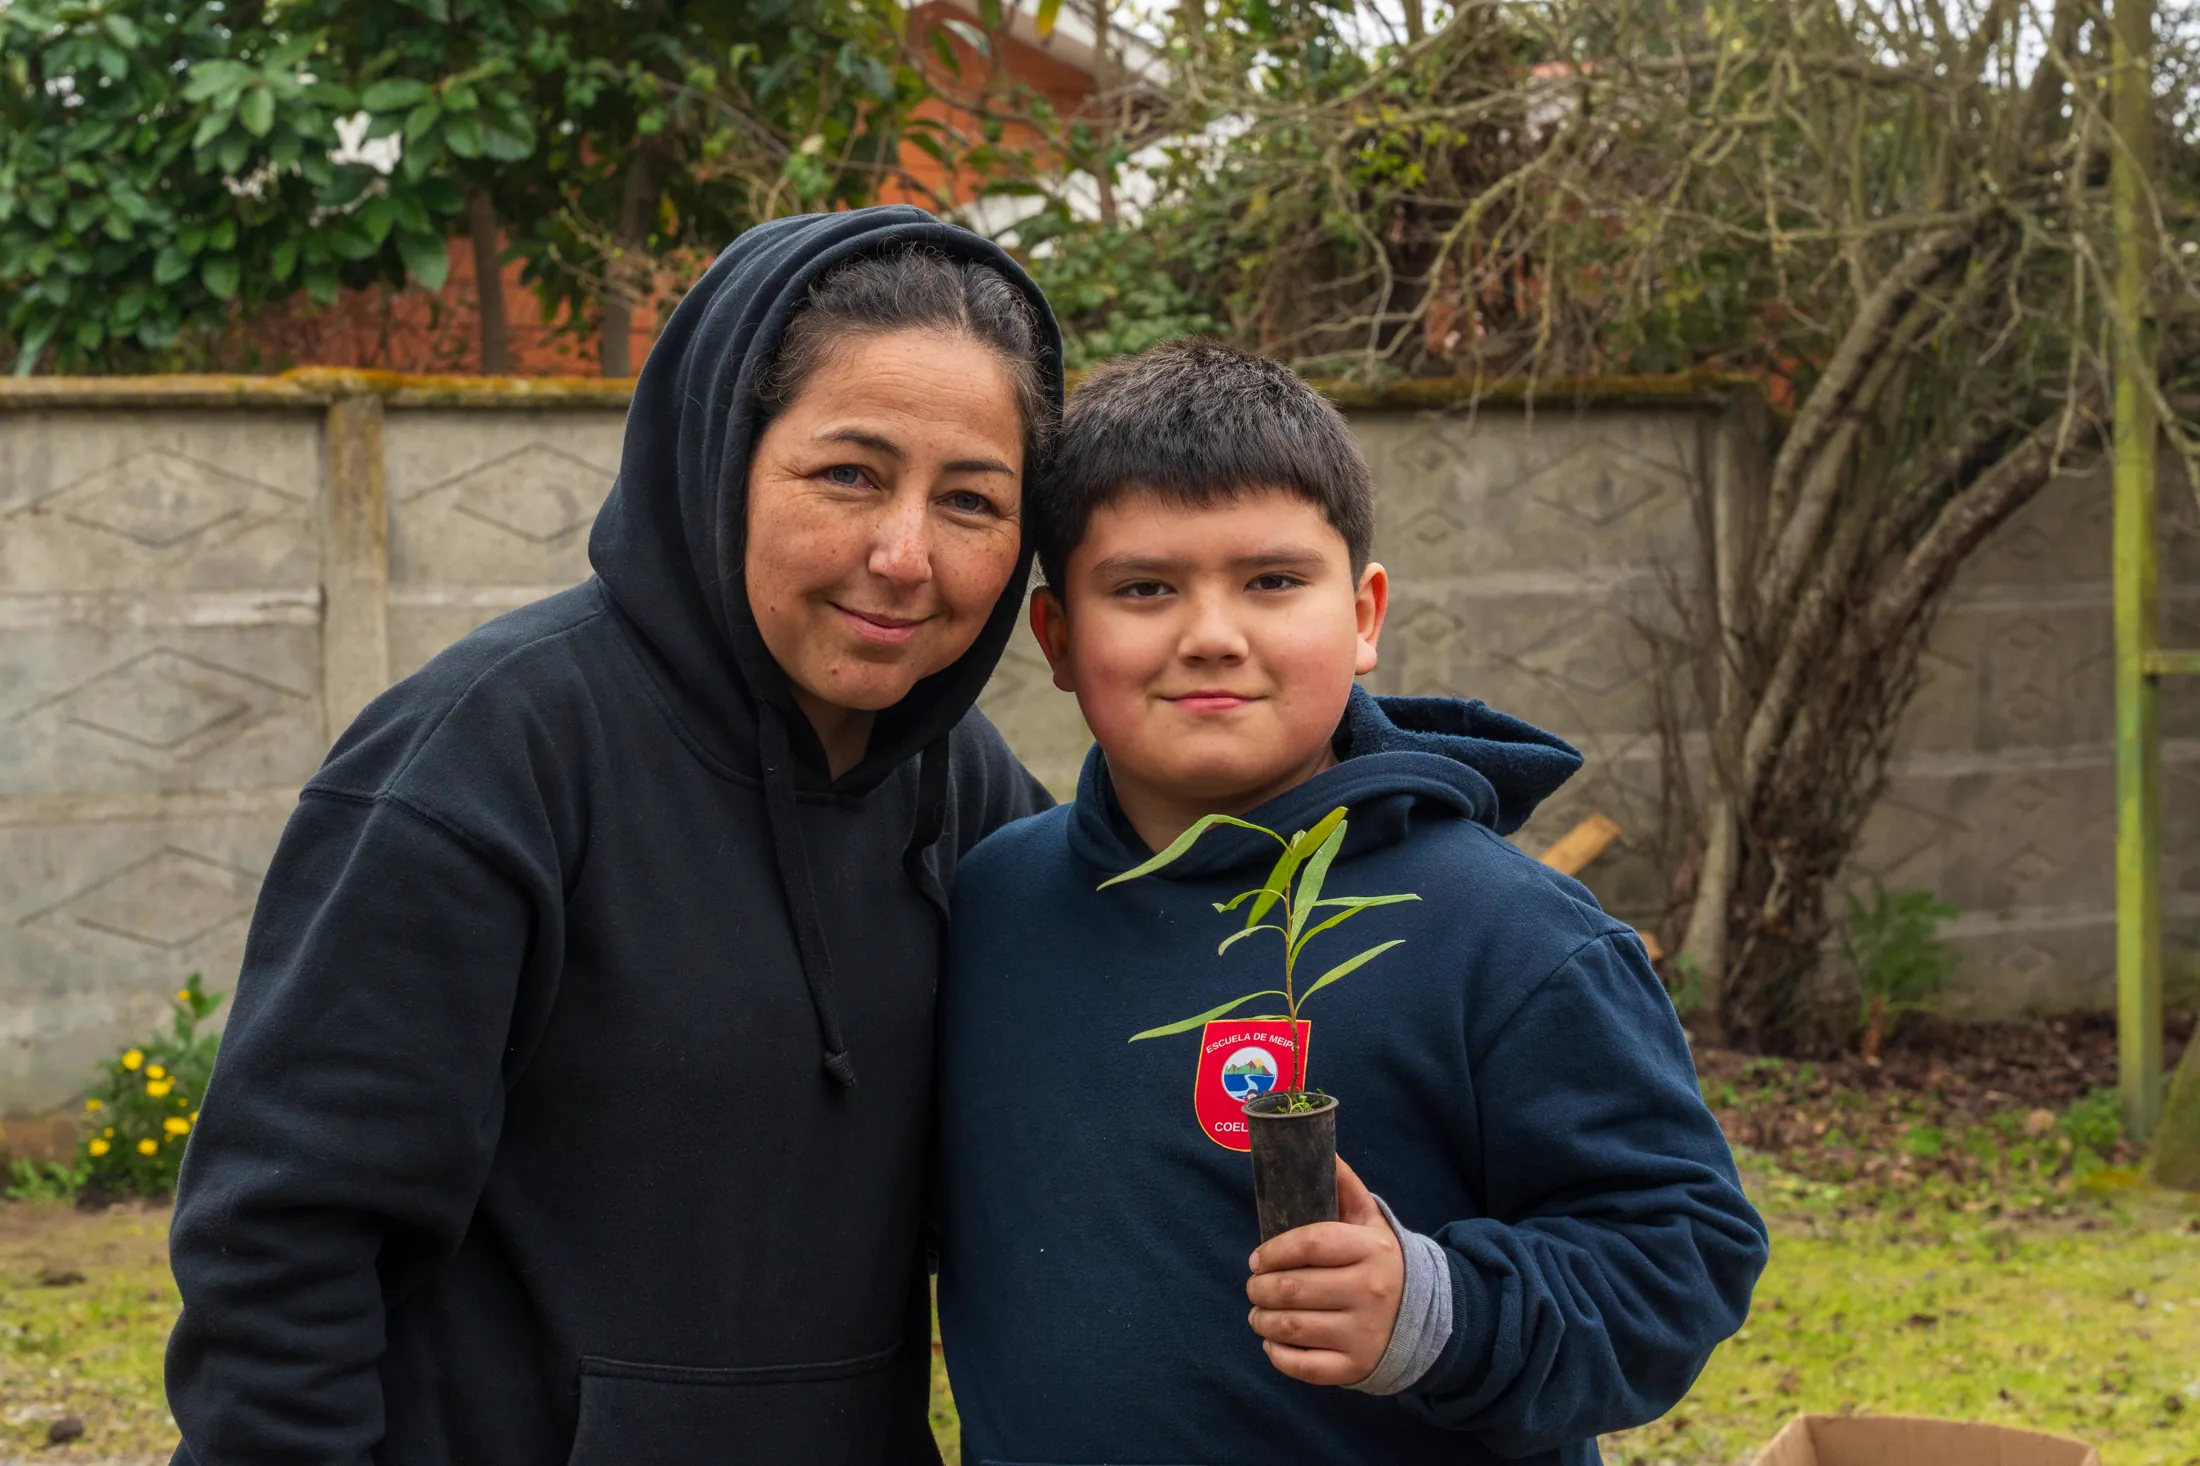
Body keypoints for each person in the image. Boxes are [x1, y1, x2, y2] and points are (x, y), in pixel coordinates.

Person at [164, 208, 1063, 1465]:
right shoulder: (486, 758)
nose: (904, 554)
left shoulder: (964, 790)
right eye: (849, 475)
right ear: (722, 456)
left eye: (970, 499)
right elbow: (281, 1249)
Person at [934, 340, 1767, 1465]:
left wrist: (1435, 1312)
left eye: (1273, 581)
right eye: (1143, 588)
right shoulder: (992, 905)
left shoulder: (1510, 936)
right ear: (1058, 638)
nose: (1212, 634)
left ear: (1365, 614)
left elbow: (1681, 1256)